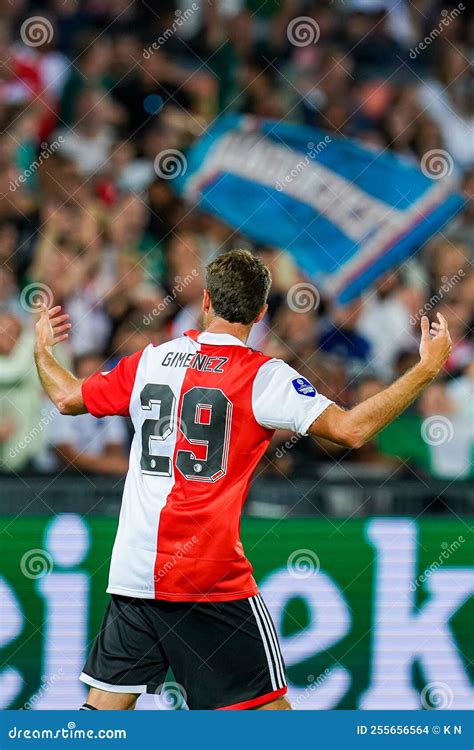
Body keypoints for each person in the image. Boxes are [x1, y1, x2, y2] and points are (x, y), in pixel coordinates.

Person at [33, 249, 452, 711]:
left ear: (206, 301)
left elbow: (67, 396)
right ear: (260, 313)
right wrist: (427, 370)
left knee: (103, 715)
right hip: (206, 579)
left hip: (134, 571)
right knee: (271, 722)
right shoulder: (261, 377)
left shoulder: (150, 361)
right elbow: (351, 430)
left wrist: (41, 350)